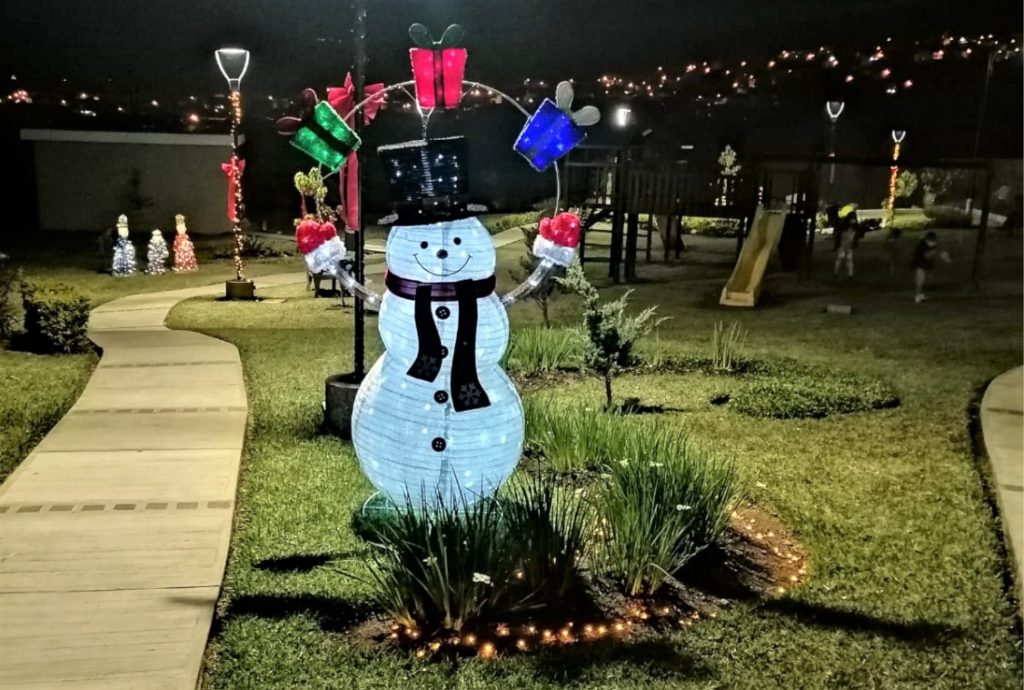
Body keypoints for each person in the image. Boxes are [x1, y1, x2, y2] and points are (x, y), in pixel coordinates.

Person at [911, 231, 951, 303]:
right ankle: (917, 296)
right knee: (920, 280)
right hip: (920, 264)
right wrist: (936, 254)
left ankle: (920, 294)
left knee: (926, 280)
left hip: (926, 264)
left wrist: (944, 257)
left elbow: (936, 252)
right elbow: (927, 255)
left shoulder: (932, 244)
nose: (934, 241)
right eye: (932, 239)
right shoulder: (922, 244)